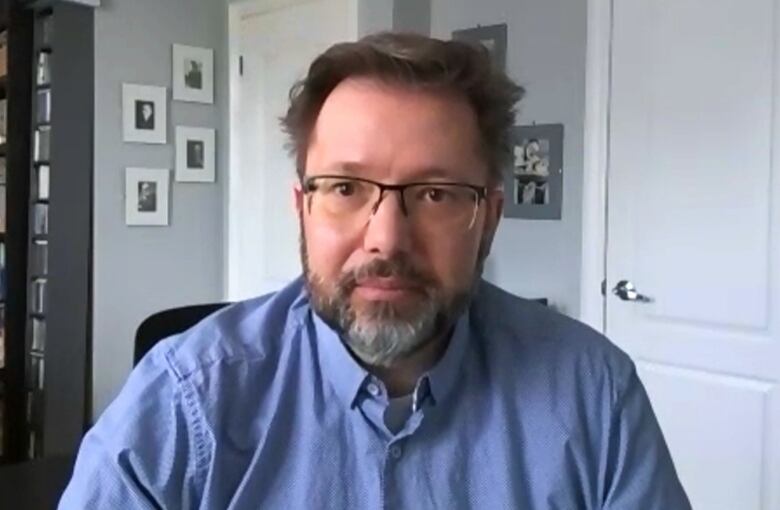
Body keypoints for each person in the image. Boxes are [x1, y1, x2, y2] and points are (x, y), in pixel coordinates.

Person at [59, 32, 691, 509]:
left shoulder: (594, 394)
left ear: (490, 217)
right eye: (344, 188)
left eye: (437, 193)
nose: (386, 238)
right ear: (302, 208)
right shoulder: (183, 398)